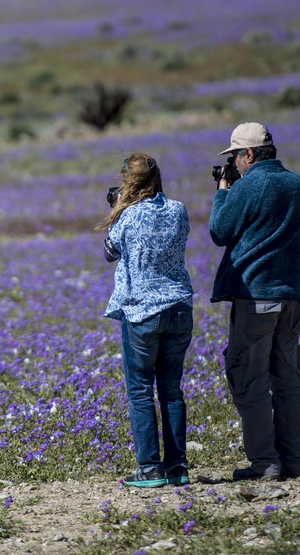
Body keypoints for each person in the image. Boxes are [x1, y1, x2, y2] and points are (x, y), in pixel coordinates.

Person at [209, 122, 300, 481]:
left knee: (250, 382)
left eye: (236, 156)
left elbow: (219, 231)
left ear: (248, 154)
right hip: (290, 296)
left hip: (255, 295)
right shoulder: (296, 183)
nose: (234, 163)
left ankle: (265, 463)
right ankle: (295, 461)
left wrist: (222, 192)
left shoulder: (249, 184)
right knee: (287, 381)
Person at [97, 152, 195, 488]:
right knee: (171, 390)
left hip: (142, 312)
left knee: (140, 390)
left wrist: (117, 209)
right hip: (179, 308)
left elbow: (109, 252)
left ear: (128, 182)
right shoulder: (179, 209)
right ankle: (178, 466)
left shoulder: (127, 217)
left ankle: (151, 468)